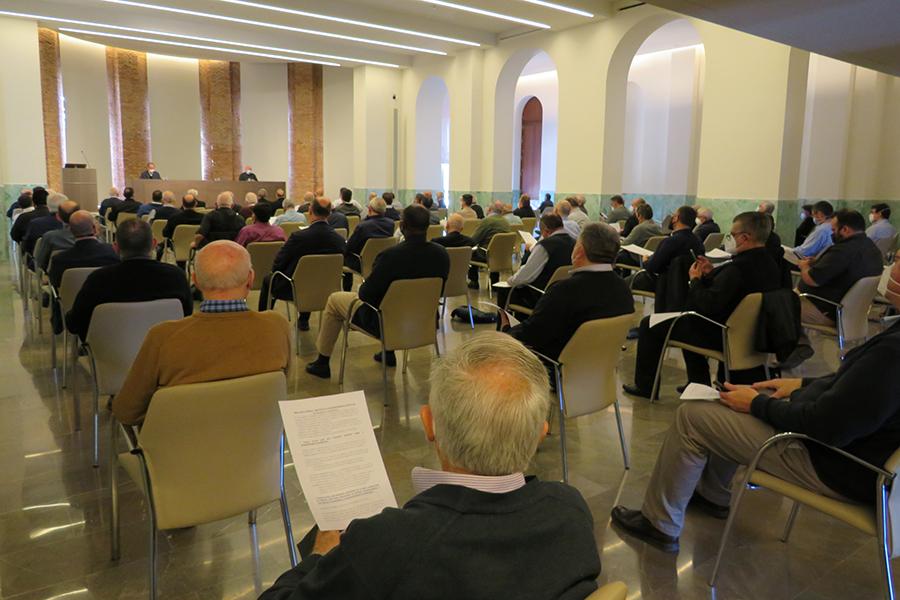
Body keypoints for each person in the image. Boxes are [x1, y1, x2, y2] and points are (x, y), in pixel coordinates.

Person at [268, 333, 601, 600]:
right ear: (540, 434)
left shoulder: (388, 543)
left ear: (429, 424)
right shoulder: (570, 509)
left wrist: (319, 558)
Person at [611, 255, 900, 553]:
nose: (890, 269)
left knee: (692, 416)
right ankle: (713, 495)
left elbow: (828, 426)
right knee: (730, 400)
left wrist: (758, 405)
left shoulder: (893, 352)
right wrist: (801, 384)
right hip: (858, 457)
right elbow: (856, 389)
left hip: (835, 464)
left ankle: (659, 523)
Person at [113, 241, 290, 425]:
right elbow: (279, 393)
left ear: (195, 280)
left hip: (180, 447)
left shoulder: (163, 338)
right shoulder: (277, 328)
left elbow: (126, 411)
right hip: (257, 446)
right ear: (251, 278)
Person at [623, 212, 781, 399]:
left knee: (650, 324)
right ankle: (697, 382)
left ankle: (646, 386)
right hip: (751, 333)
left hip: (719, 332)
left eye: (732, 235)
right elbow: (728, 293)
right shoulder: (770, 264)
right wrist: (710, 274)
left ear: (745, 237)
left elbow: (705, 305)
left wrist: (695, 281)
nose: (730, 239)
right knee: (686, 319)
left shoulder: (737, 269)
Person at [306, 205, 449, 377]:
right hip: (424, 321)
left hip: (384, 324)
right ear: (428, 226)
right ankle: (387, 353)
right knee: (392, 301)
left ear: (402, 226)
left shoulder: (390, 257)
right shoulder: (441, 255)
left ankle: (322, 362)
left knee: (335, 300)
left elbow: (366, 296)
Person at [504, 222, 634, 360]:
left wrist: (506, 330)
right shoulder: (624, 289)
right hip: (601, 368)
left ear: (579, 251)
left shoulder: (563, 291)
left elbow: (531, 336)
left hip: (555, 368)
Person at [66, 219, 192, 341]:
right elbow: (187, 317)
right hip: (163, 353)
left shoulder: (98, 280)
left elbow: (75, 324)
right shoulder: (177, 277)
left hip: (110, 356)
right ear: (154, 244)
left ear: (115, 247)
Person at [258, 197, 347, 323]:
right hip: (326, 288)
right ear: (329, 213)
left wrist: (278, 271)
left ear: (310, 211)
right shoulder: (339, 240)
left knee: (269, 279)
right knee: (312, 274)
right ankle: (303, 320)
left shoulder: (298, 237)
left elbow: (279, 262)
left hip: (294, 289)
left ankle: (263, 320)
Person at [797, 209, 884, 328]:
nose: (832, 234)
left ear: (845, 229)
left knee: (772, 306)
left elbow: (811, 280)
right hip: (851, 312)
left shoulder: (843, 250)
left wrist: (804, 265)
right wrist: (818, 262)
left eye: (833, 230)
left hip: (823, 309)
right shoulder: (872, 249)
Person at [498, 214, 575, 312]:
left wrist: (510, 281)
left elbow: (526, 276)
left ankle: (507, 325)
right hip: (565, 294)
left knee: (505, 290)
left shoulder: (545, 246)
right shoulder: (575, 242)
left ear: (546, 231)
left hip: (542, 297)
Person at [630, 206, 704, 294]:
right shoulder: (698, 241)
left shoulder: (670, 242)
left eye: (674, 215)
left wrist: (645, 261)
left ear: (676, 218)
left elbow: (653, 268)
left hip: (664, 284)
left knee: (626, 282)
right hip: (687, 286)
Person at [49, 211, 119, 289]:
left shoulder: (59, 260)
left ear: (71, 231)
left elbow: (55, 283)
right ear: (94, 228)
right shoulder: (113, 253)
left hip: (71, 300)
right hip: (106, 298)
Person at [342, 197, 395, 290]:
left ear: (370, 209)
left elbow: (350, 246)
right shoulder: (391, 224)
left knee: (344, 256)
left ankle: (347, 289)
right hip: (382, 260)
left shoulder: (363, 226)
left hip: (361, 262)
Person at [468, 201, 512, 289]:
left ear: (490, 209)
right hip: (502, 256)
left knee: (470, 253)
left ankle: (474, 281)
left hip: (487, 255)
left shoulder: (487, 221)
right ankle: (494, 283)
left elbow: (474, 240)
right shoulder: (505, 222)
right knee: (494, 250)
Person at [34, 199, 79, 272]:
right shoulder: (91, 236)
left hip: (57, 276)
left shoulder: (50, 237)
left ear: (58, 216)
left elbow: (40, 262)